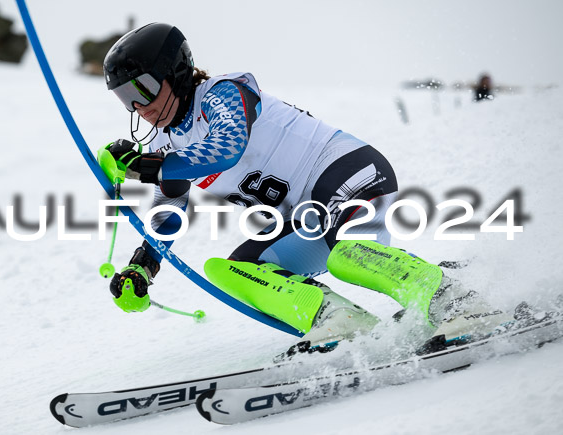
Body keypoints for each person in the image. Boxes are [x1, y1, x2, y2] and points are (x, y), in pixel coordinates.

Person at [100, 23, 501, 351]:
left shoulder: (224, 92)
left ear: (176, 72)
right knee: (231, 271)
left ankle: (460, 301)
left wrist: (153, 166)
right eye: (125, 98)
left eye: (144, 89)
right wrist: (143, 266)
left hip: (352, 174)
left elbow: (227, 146)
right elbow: (170, 211)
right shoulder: (165, 143)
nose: (139, 107)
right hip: (309, 218)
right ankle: (339, 321)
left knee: (347, 256)